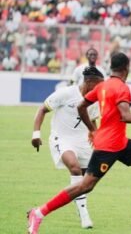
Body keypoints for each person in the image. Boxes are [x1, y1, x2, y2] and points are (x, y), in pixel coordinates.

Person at [27, 52, 131, 234]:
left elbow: (81, 106)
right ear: (127, 67)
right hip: (108, 146)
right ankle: (38, 213)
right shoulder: (122, 88)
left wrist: (93, 130)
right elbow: (125, 116)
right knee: (84, 186)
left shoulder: (103, 86)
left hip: (120, 142)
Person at [31, 66, 104, 229]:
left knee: (85, 183)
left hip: (83, 142)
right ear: (89, 81)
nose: (100, 88)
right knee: (75, 168)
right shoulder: (66, 93)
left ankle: (79, 205)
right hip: (62, 138)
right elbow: (42, 109)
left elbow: (92, 121)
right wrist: (36, 134)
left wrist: (96, 136)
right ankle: (84, 215)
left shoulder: (95, 100)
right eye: (98, 84)